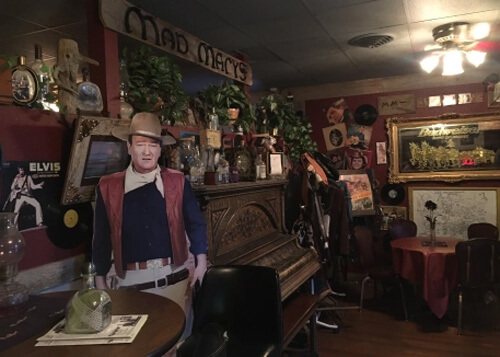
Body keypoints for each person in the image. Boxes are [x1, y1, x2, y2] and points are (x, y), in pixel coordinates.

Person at [92, 112, 208, 345]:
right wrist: (100, 279)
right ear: (129, 147)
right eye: (140, 144)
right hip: (130, 285)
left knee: (174, 347)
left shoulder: (177, 181)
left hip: (173, 279)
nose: (147, 151)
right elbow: (101, 236)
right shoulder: (108, 186)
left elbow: (195, 222)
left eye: (152, 145)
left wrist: (202, 262)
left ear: (159, 149)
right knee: (137, 348)